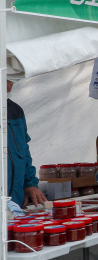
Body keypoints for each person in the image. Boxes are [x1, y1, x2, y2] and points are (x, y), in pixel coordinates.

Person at [7, 79, 47, 208]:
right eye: (4, 80)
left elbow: (24, 152)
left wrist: (29, 184)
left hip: (15, 199)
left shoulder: (15, 110)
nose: (9, 86)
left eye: (11, 80)